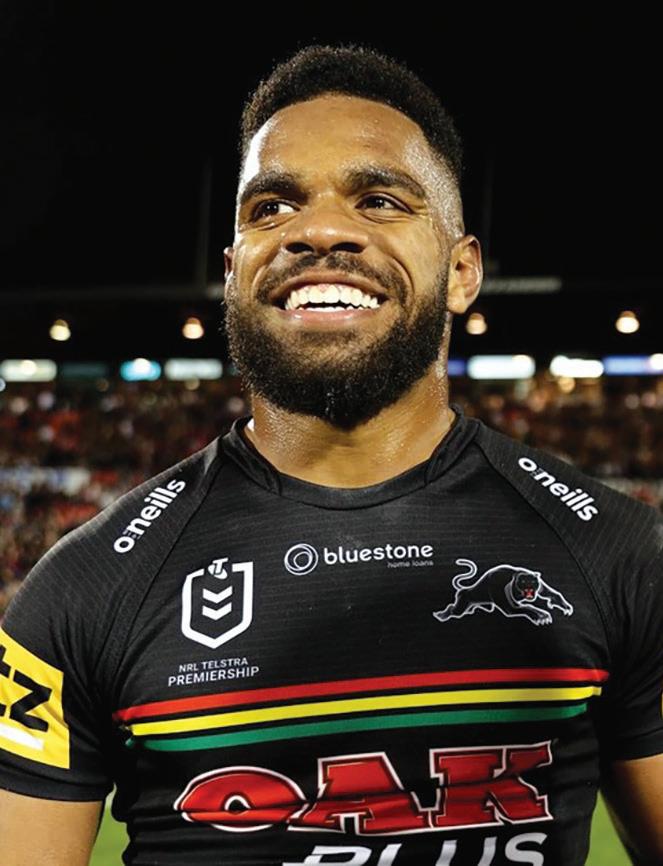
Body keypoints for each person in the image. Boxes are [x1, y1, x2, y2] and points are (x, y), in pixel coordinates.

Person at [1, 42, 662, 866]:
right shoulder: (81, 590)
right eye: (271, 206)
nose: (316, 230)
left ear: (462, 272)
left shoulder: (621, 556)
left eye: (379, 200)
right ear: (233, 271)